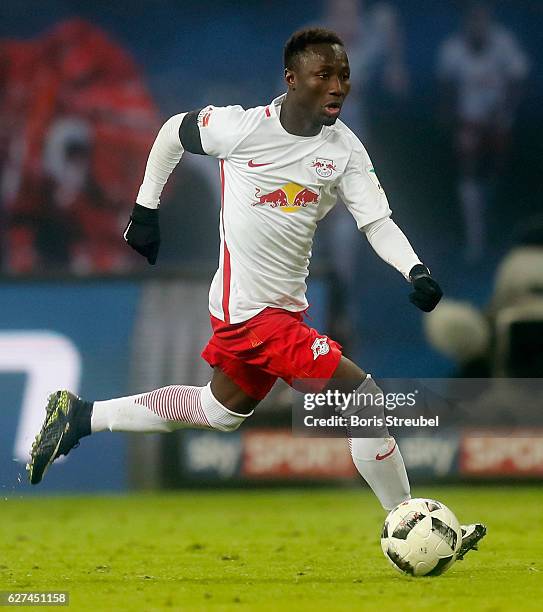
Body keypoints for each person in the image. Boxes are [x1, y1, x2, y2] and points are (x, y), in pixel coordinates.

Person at [27, 28, 485, 559]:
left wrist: (415, 269)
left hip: (280, 308)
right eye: (324, 75)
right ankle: (411, 520)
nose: (337, 86)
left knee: (219, 412)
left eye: (344, 76)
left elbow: (377, 222)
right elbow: (174, 132)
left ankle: (82, 416)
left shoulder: (344, 150)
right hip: (252, 313)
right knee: (365, 399)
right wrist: (145, 210)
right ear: (292, 80)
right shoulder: (241, 128)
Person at [437, 2, 529, 262]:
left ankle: (492, 220)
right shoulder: (452, 49)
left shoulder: (505, 43)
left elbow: (518, 84)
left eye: (481, 19)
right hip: (468, 123)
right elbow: (446, 96)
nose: (477, 24)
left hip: (500, 121)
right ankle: (474, 238)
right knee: (468, 157)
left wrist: (500, 116)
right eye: (472, 19)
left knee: (497, 167)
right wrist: (457, 125)